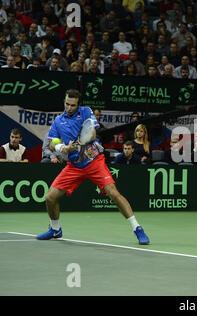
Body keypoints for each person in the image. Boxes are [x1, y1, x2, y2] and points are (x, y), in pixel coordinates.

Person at [35, 89, 149, 245]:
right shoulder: (58, 121)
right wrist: (63, 148)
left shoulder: (86, 112)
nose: (69, 108)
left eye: (73, 105)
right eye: (67, 104)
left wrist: (81, 142)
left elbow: (93, 135)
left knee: (113, 193)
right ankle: (55, 229)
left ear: (78, 105)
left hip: (93, 161)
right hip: (74, 165)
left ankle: (137, 228)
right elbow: (51, 144)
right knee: (50, 197)